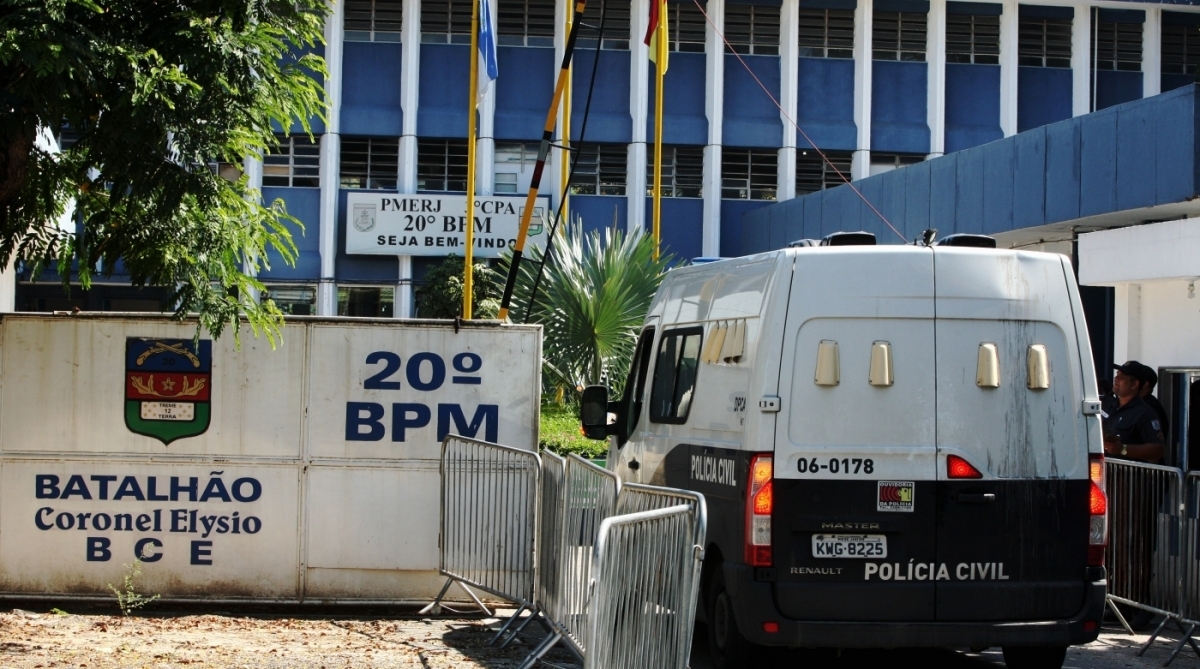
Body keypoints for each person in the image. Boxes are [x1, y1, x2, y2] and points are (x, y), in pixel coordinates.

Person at [1103, 362, 1166, 463]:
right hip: (1103, 474)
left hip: (1129, 476)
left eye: (1122, 376)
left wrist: (1123, 449)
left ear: (1135, 384)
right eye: (1117, 374)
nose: (1116, 378)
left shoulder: (1145, 413)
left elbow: (1158, 449)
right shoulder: (1107, 404)